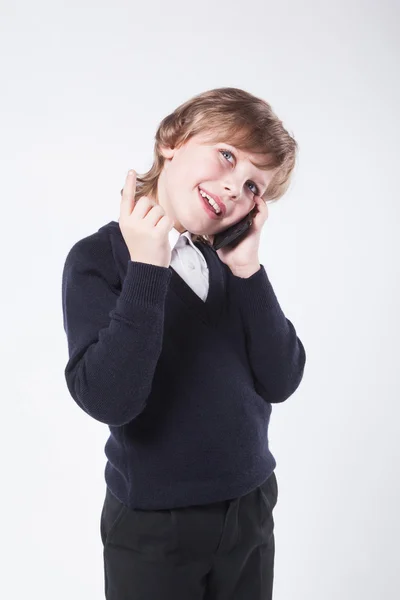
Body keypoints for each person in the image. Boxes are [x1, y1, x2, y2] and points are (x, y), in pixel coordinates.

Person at [61, 86, 306, 599]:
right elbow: (111, 398)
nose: (235, 187)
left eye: (253, 187)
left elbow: (281, 378)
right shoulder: (97, 260)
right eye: (226, 155)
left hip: (250, 506)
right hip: (156, 525)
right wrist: (148, 268)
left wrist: (248, 271)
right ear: (173, 140)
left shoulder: (231, 267)